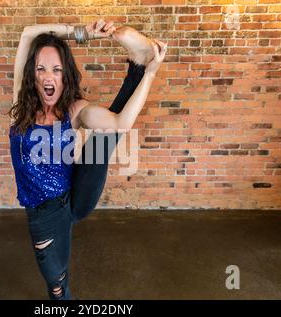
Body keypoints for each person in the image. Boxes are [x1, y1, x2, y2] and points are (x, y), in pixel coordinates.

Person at [9, 20, 167, 300]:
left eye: (57, 70)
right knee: (57, 285)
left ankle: (140, 66)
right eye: (41, 68)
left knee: (103, 139)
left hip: (75, 194)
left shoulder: (73, 110)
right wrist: (83, 32)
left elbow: (120, 123)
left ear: (65, 76)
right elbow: (28, 33)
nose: (49, 76)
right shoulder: (19, 106)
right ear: (31, 74)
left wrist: (150, 76)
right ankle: (138, 64)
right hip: (43, 215)